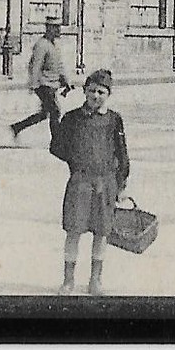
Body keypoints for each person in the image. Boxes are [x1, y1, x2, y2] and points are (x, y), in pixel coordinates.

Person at [50, 68, 130, 296]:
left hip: (106, 183)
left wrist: (121, 182)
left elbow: (122, 153)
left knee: (101, 232)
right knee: (74, 231)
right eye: (92, 91)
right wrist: (76, 161)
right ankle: (68, 280)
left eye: (101, 92)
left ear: (109, 94)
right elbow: (57, 147)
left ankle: (95, 280)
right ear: (84, 91)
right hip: (80, 182)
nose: (96, 96)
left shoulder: (114, 120)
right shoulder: (72, 118)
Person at [10, 17, 73, 142]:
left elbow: (59, 66)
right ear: (49, 29)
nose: (59, 30)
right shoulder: (41, 45)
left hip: (52, 83)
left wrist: (66, 82)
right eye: (56, 28)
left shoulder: (53, 45)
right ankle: (57, 140)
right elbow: (35, 65)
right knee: (55, 111)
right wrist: (33, 84)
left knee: (45, 114)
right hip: (44, 84)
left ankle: (17, 127)